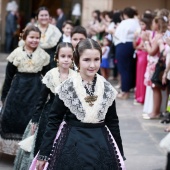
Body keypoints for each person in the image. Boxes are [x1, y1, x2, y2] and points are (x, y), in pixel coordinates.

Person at [31, 38, 126, 170]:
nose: (92, 65)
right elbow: (54, 120)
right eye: (87, 60)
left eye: (96, 59)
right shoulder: (67, 87)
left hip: (101, 146)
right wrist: (44, 154)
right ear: (77, 61)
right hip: (72, 144)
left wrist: (120, 154)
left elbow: (113, 122)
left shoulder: (107, 87)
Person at [14, 42, 77, 170]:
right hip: (49, 116)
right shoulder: (51, 75)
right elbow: (41, 100)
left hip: (69, 118)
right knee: (44, 145)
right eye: (63, 56)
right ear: (57, 57)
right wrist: (35, 119)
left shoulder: (76, 76)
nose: (66, 59)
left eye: (69, 56)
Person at [0, 25, 50, 155]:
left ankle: (28, 152)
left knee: (30, 119)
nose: (34, 40)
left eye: (37, 38)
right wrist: (4, 97)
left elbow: (48, 77)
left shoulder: (43, 55)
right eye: (31, 37)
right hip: (17, 90)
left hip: (36, 90)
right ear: (24, 37)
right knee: (12, 117)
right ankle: (13, 150)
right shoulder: (16, 53)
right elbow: (9, 77)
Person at [114, 7, 140, 99]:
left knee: (123, 69)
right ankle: (127, 90)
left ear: (125, 15)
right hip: (132, 45)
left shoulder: (124, 22)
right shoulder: (136, 22)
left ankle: (125, 92)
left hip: (123, 45)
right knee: (130, 69)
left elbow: (117, 34)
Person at [133, 17, 152, 105]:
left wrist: (140, 45)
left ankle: (142, 97)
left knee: (142, 76)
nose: (141, 26)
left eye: (143, 24)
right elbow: (136, 46)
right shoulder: (141, 33)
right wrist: (134, 38)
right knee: (139, 76)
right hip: (140, 55)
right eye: (140, 24)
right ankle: (139, 96)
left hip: (143, 56)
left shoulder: (147, 33)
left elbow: (142, 46)